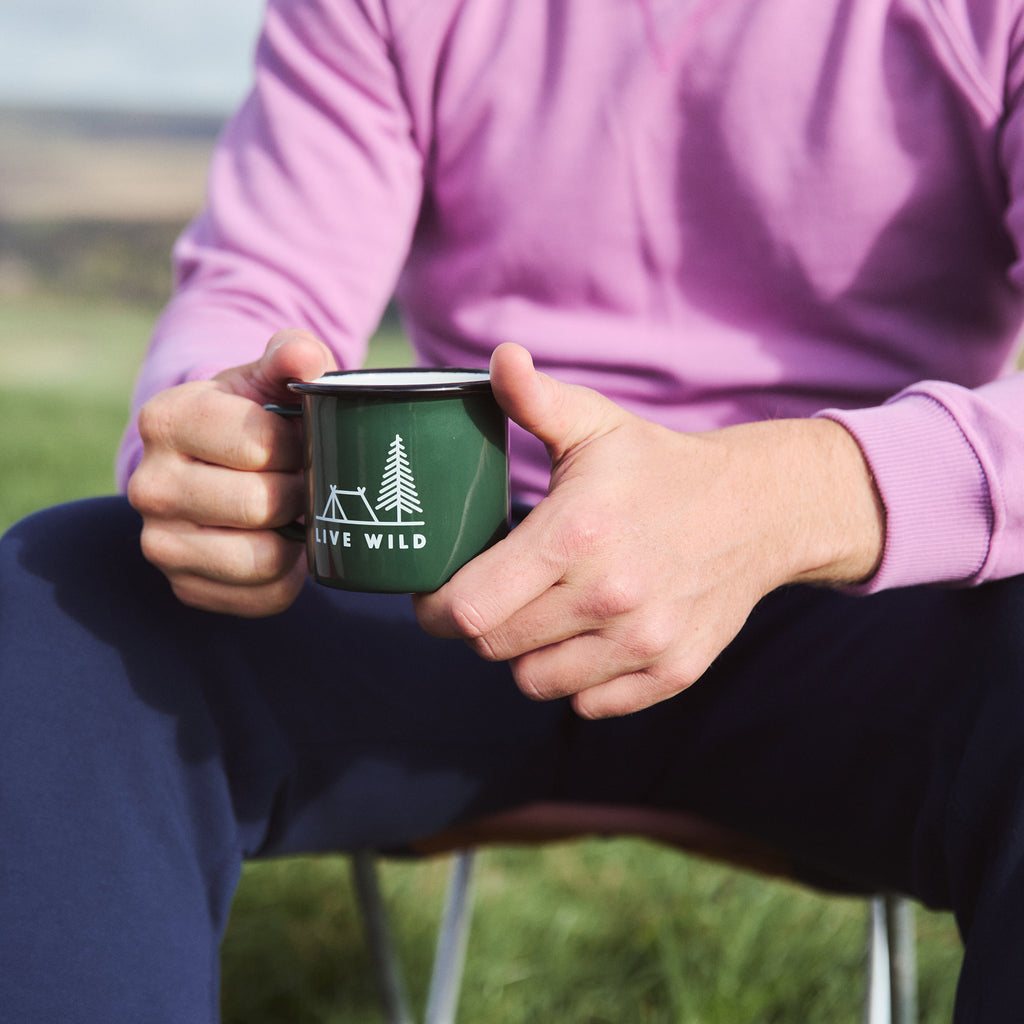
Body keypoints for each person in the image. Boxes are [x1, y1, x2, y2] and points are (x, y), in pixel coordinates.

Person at [3, 0, 1024, 1018]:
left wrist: (782, 497)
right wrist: (214, 447)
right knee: (69, 600)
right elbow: (262, 284)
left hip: (858, 598)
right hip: (460, 588)